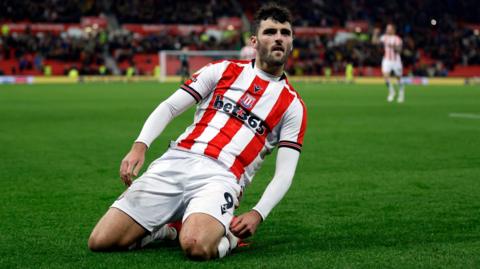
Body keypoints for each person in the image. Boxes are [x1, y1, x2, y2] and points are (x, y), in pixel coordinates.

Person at [88, 3, 307, 261]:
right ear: (254, 40)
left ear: (291, 42)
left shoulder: (293, 106)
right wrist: (140, 145)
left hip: (222, 176)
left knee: (196, 246)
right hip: (176, 160)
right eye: (270, 32)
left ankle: (230, 239)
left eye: (285, 33)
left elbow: (285, 173)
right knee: (101, 241)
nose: (279, 38)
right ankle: (167, 231)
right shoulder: (222, 70)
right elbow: (170, 107)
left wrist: (258, 213)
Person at [373, 24, 405, 103]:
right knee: (386, 76)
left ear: (393, 30)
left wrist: (392, 46)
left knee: (398, 78)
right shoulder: (384, 37)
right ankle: (392, 92)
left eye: (389, 29)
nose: (387, 30)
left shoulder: (398, 39)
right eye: (387, 29)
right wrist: (375, 34)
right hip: (386, 60)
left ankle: (401, 93)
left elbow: (399, 50)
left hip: (396, 61)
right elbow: (374, 42)